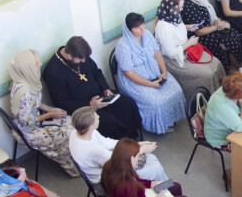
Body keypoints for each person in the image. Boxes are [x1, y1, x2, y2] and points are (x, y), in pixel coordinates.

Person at [42, 36, 142, 140]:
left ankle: (132, 140)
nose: (84, 61)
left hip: (100, 95)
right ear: (69, 56)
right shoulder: (52, 71)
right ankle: (118, 147)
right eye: (81, 59)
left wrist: (106, 88)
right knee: (109, 123)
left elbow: (97, 72)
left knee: (128, 104)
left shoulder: (80, 53)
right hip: (82, 108)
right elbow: (61, 103)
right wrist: (90, 104)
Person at [9, 49, 80, 178]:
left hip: (36, 119)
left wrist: (50, 109)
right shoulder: (24, 92)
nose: (40, 64)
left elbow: (34, 103)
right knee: (68, 133)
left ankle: (78, 158)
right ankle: (74, 169)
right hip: (28, 130)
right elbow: (27, 121)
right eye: (36, 63)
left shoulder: (25, 79)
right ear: (27, 68)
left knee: (71, 120)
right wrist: (49, 115)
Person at [115, 12, 186, 134]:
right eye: (137, 27)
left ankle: (170, 118)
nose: (142, 29)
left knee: (176, 90)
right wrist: (151, 84)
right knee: (156, 102)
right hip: (134, 82)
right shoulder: (123, 46)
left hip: (155, 73)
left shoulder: (147, 34)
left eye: (142, 24)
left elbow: (157, 54)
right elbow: (129, 74)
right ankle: (160, 125)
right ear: (129, 29)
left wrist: (164, 71)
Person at [153, 0, 225, 100]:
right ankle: (211, 99)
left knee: (216, 63)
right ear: (171, 8)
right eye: (180, 7)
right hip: (174, 60)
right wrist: (189, 43)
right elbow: (171, 53)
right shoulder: (163, 27)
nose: (182, 9)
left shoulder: (173, 16)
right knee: (207, 74)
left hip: (186, 50)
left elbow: (177, 27)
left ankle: (221, 91)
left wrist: (188, 27)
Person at [101, 139, 191, 197]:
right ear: (131, 159)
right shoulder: (126, 188)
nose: (139, 158)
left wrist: (151, 183)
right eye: (138, 156)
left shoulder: (111, 166)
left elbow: (134, 180)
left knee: (176, 186)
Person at [69, 107, 167, 184]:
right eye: (96, 117)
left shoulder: (78, 131)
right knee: (155, 168)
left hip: (110, 165)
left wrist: (136, 144)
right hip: (110, 179)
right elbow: (121, 163)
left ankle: (158, 188)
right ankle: (167, 190)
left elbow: (108, 142)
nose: (99, 117)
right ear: (90, 126)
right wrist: (140, 150)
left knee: (151, 158)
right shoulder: (93, 150)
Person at [181, 0, 242, 67]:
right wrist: (217, 27)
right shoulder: (188, 6)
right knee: (231, 41)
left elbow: (212, 13)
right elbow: (199, 31)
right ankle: (232, 67)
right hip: (202, 37)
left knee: (235, 34)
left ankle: (235, 65)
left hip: (211, 28)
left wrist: (219, 21)